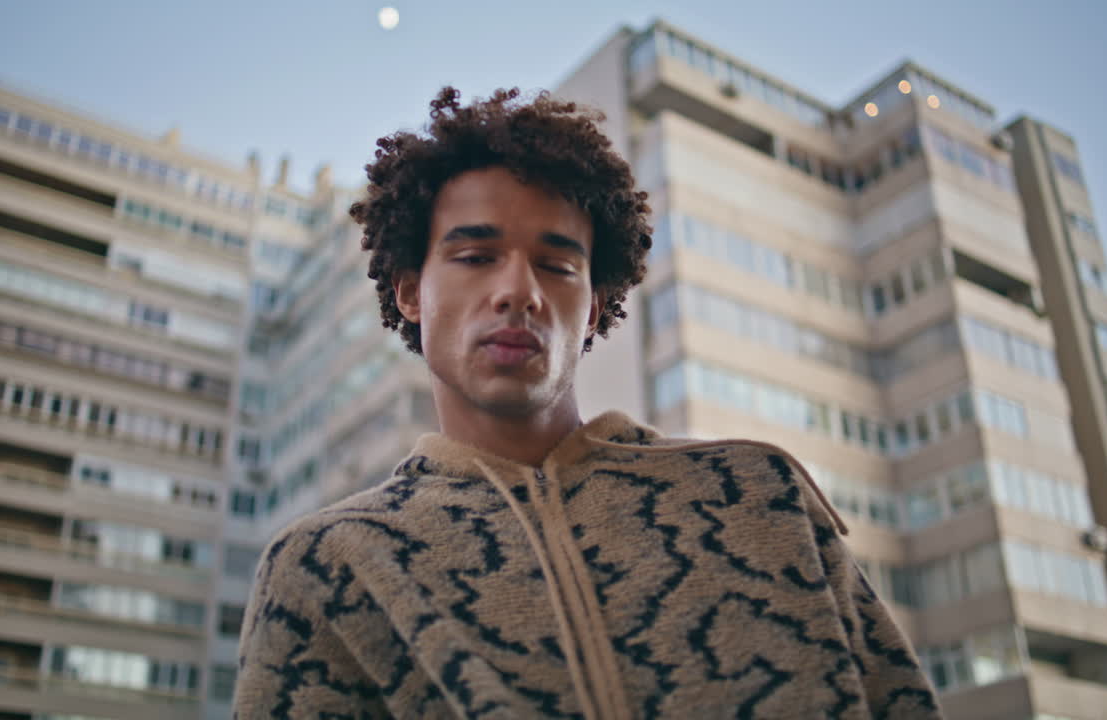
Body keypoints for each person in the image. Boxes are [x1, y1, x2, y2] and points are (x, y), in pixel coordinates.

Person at [234, 87, 940, 719]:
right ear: (410, 292)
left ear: (595, 304)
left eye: (557, 264)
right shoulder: (328, 564)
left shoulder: (761, 497)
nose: (520, 291)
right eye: (475, 256)